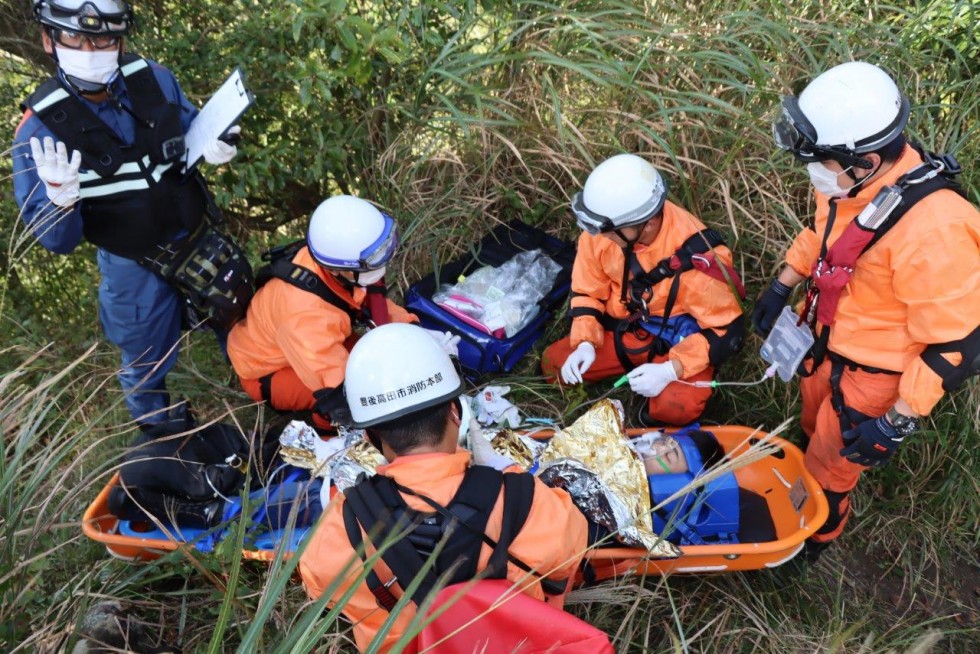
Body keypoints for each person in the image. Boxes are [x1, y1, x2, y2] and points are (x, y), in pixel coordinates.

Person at [755, 61, 979, 560]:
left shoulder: (935, 231)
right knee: (813, 431)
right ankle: (805, 491)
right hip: (828, 340)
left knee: (831, 469)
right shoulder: (848, 183)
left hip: (875, 374)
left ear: (869, 158)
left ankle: (812, 543)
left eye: (820, 161)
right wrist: (782, 283)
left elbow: (957, 342)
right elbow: (824, 234)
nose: (812, 172)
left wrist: (897, 420)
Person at [12, 1, 247, 427]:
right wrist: (60, 200)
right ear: (49, 39)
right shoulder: (39, 129)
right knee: (142, 365)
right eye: (75, 37)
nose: (90, 48)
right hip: (132, 261)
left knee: (244, 323)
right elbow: (57, 242)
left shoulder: (153, 79)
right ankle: (163, 444)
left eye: (103, 37)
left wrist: (219, 140)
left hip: (194, 233)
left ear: (120, 38)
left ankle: (266, 399)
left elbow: (194, 126)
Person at [298, 323, 589, 652]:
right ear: (456, 412)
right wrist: (509, 472)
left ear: (371, 438)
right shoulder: (526, 502)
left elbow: (317, 583)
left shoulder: (344, 526)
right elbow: (569, 553)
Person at [541, 154, 745, 426]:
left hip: (679, 344)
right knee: (554, 364)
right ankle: (626, 367)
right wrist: (586, 342)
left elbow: (725, 332)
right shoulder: (604, 229)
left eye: (610, 232)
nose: (601, 238)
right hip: (629, 328)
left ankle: (650, 419)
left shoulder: (700, 263)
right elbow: (588, 291)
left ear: (647, 223)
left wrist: (672, 369)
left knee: (677, 407)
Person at [227, 195, 459, 428]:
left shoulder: (344, 261)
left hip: (308, 339)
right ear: (339, 270)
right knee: (349, 398)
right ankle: (328, 438)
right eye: (376, 257)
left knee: (378, 362)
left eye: (387, 246)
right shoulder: (304, 315)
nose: (385, 260)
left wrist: (415, 334)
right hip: (267, 368)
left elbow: (376, 305)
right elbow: (334, 388)